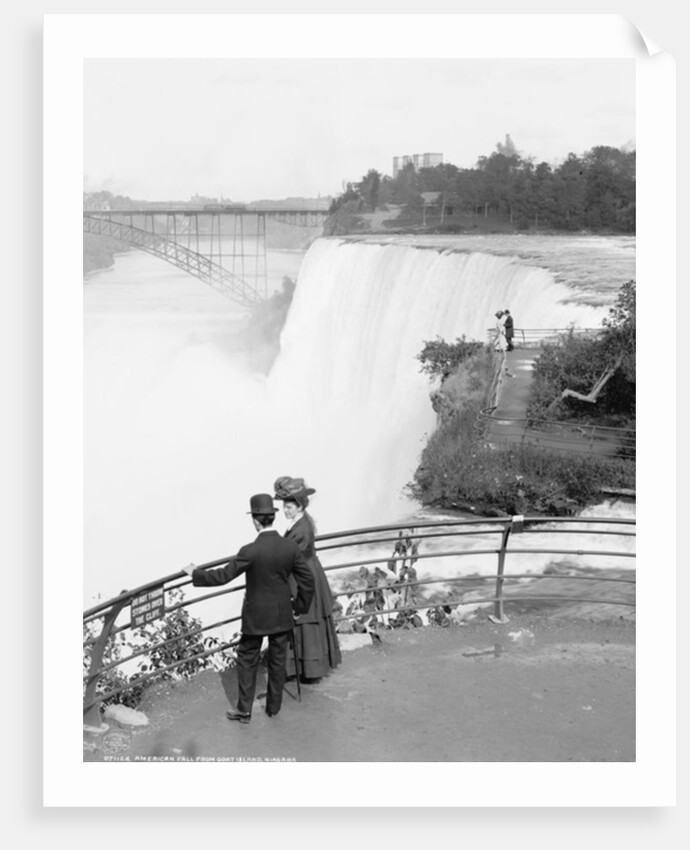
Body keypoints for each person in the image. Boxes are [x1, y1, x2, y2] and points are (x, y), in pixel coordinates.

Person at [184, 493, 314, 723]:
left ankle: (244, 710)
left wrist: (195, 573)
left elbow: (223, 576)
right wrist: (299, 607)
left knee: (247, 658)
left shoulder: (250, 551)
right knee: (277, 658)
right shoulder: (289, 547)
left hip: (256, 616)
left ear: (255, 520)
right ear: (272, 517)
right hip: (282, 612)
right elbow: (307, 581)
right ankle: (274, 707)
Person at [273, 476, 342, 682]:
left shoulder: (301, 528)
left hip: (303, 575)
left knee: (306, 619)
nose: (285, 511)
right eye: (285, 507)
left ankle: (309, 669)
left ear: (299, 506)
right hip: (307, 571)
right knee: (306, 620)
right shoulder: (301, 522)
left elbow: (292, 556)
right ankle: (304, 668)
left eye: (289, 507)